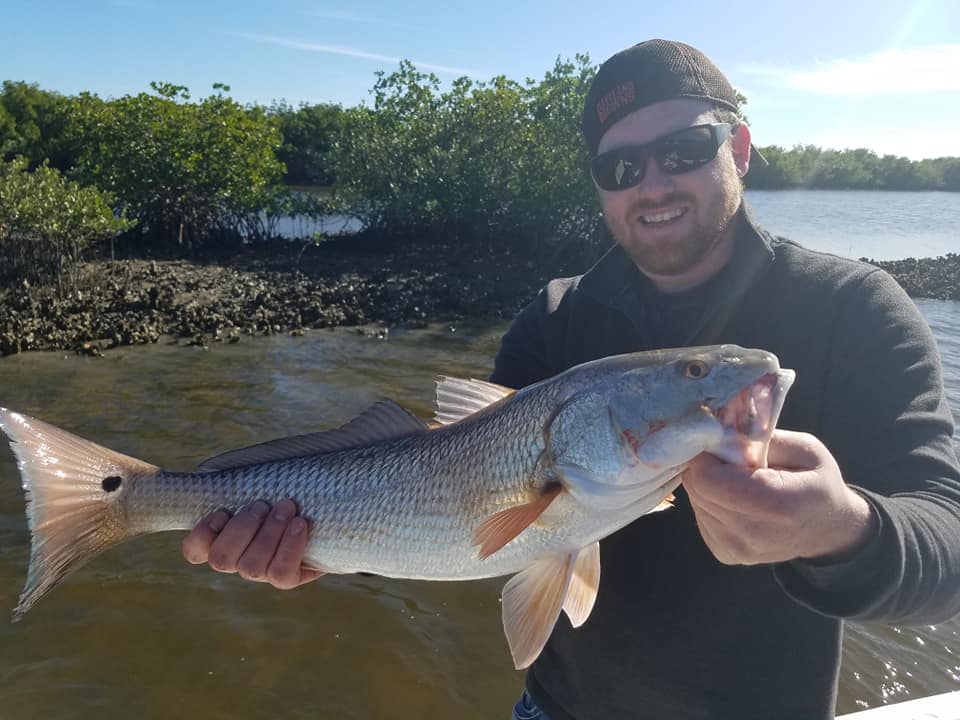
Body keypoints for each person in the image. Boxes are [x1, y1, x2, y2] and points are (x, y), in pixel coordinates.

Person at [181, 39, 960, 719]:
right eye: (619, 165)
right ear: (599, 185)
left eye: (686, 148)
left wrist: (842, 531)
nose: (651, 183)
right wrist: (315, 546)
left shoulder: (853, 311)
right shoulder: (554, 320)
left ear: (741, 147)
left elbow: (947, 543)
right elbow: (457, 500)